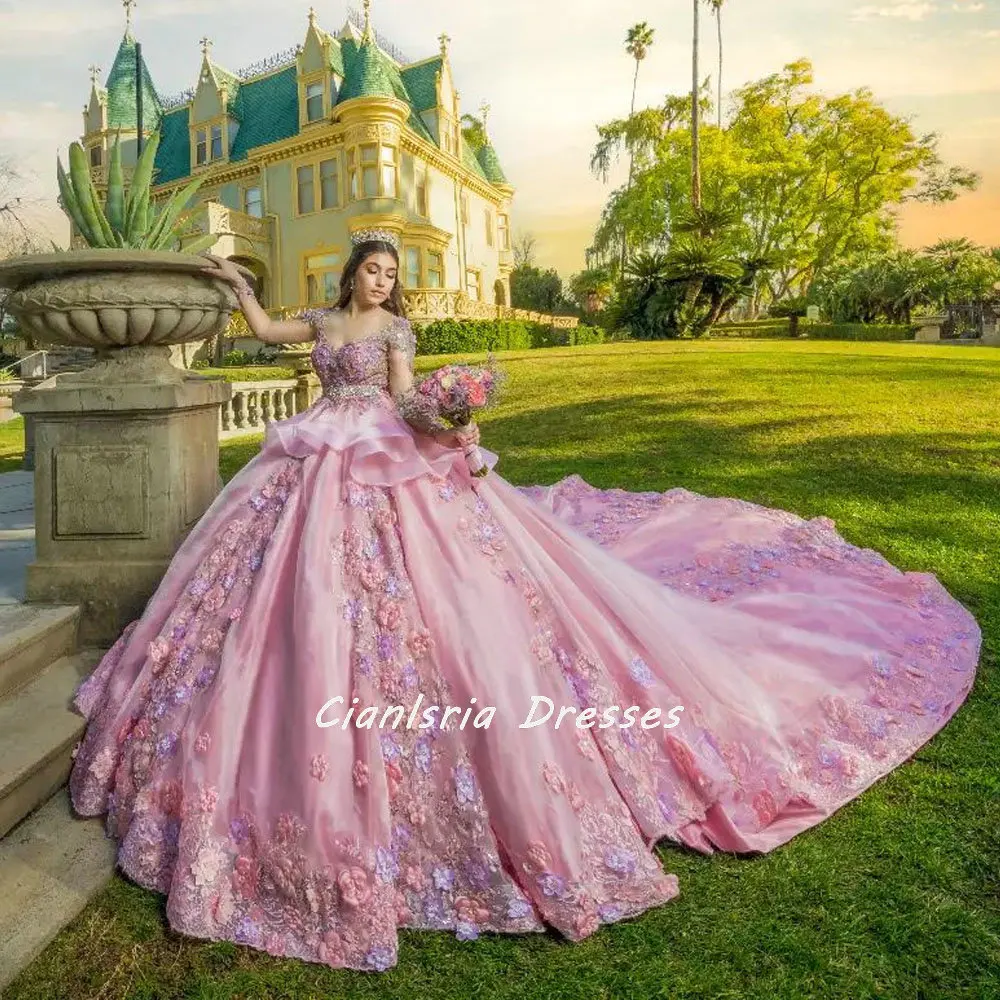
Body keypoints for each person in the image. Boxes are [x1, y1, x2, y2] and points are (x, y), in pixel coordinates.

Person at [68, 229, 980, 973]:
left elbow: (406, 404)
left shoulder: (391, 338)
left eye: (392, 274)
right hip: (312, 458)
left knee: (436, 595)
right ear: (350, 275)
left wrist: (454, 417)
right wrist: (231, 280)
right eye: (373, 270)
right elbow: (266, 331)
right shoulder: (320, 321)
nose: (383, 282)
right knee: (285, 592)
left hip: (381, 455)